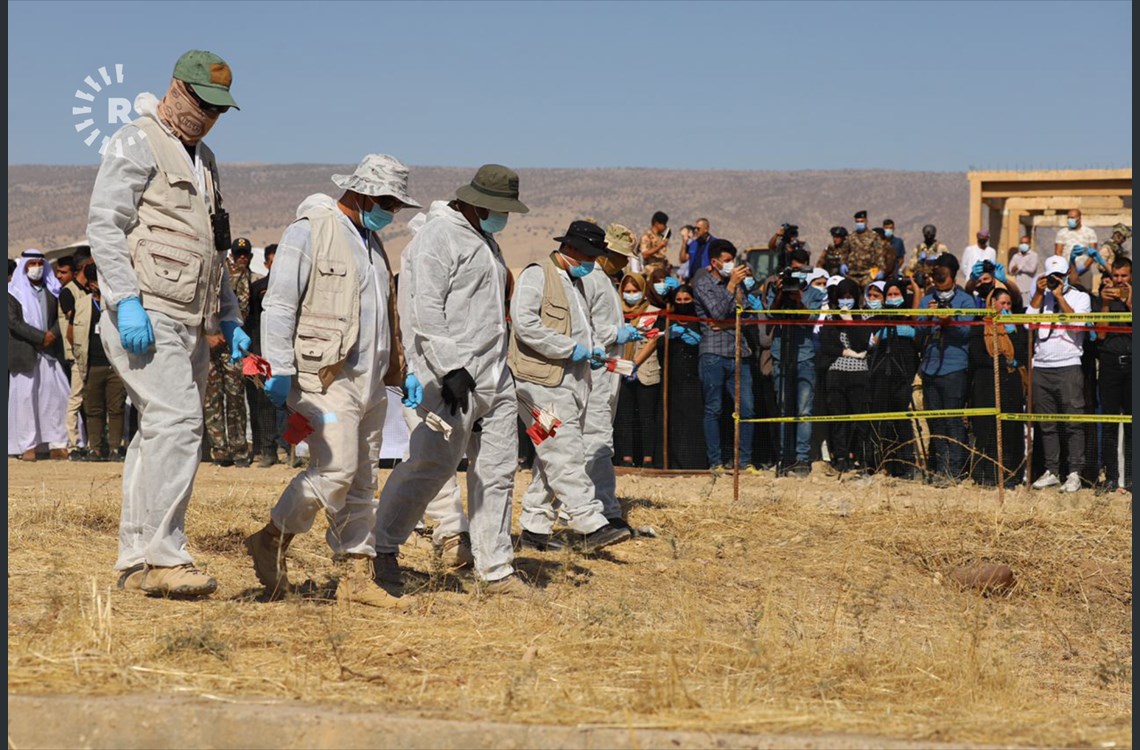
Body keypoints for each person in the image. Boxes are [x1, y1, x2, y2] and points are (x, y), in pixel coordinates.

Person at [87, 49, 245, 598]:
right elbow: (105, 224)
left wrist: (230, 313)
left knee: (159, 431)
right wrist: (124, 300)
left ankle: (135, 559)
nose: (208, 116)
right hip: (147, 311)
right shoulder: (138, 139)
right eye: (202, 102)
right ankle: (163, 557)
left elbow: (213, 246)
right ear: (177, 89)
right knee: (178, 422)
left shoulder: (206, 161)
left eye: (219, 109)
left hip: (190, 317)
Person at [246, 154, 418, 607]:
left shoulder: (373, 243)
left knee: (363, 478)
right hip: (328, 376)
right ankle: (271, 537)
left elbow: (384, 315)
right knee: (336, 469)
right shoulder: (311, 230)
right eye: (386, 201)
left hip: (372, 380)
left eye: (396, 204)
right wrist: (279, 366)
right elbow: (280, 302)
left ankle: (356, 578)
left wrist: (401, 370)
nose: (392, 211)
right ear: (361, 192)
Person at [372, 164, 534, 597]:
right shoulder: (438, 237)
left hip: (494, 376)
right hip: (452, 380)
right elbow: (424, 308)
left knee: (497, 472)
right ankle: (381, 550)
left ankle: (495, 567)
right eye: (497, 209)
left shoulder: (486, 238)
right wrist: (449, 367)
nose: (502, 217)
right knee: (431, 466)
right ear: (474, 201)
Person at [511, 220, 633, 555]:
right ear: (572, 249)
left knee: (552, 455)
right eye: (590, 255)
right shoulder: (538, 276)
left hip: (570, 385)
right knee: (563, 452)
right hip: (540, 385)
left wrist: (591, 352)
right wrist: (568, 349)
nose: (593, 263)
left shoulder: (573, 284)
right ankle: (590, 523)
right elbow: (526, 325)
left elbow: (581, 329)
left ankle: (535, 525)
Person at [692, 240, 758, 472]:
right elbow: (718, 311)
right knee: (714, 408)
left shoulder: (739, 284)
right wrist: (731, 286)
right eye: (727, 261)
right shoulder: (703, 284)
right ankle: (716, 463)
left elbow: (748, 315)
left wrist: (724, 323)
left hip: (739, 352)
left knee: (747, 409)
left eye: (733, 260)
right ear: (715, 262)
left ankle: (744, 461)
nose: (731, 265)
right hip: (714, 353)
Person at [1027, 255, 1091, 493]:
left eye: (1059, 277)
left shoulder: (1080, 297)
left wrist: (1059, 296)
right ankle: (1052, 470)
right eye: (1051, 277)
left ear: (1066, 277)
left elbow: (1078, 325)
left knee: (1073, 421)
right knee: (1046, 423)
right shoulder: (1039, 298)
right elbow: (1027, 324)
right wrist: (1037, 294)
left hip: (1068, 364)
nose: (1054, 281)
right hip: (1041, 366)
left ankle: (1074, 473)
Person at [917, 253, 977, 486]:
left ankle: (955, 470)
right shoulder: (926, 300)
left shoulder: (965, 300)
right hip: (930, 367)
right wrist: (930, 316)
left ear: (951, 273)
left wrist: (949, 320)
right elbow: (918, 332)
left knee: (953, 420)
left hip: (954, 368)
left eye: (942, 270)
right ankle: (940, 468)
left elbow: (966, 333)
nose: (938, 274)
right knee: (936, 422)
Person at [7, 250, 70, 461]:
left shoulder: (53, 291)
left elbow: (61, 316)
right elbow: (13, 322)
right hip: (26, 353)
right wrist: (40, 337)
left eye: (39, 263)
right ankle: (27, 446)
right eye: (32, 263)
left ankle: (57, 443)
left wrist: (52, 334)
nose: (36, 267)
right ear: (24, 266)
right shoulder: (12, 292)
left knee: (55, 398)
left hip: (50, 353)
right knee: (25, 400)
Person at [205, 237, 258, 467]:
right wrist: (207, 336)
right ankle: (219, 450)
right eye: (238, 254)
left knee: (235, 398)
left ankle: (238, 449)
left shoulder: (246, 279)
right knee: (212, 399)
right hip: (208, 343)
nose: (242, 259)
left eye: (245, 255)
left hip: (231, 346)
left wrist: (225, 336)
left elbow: (241, 312)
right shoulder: (211, 275)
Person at [967, 288, 1026, 487]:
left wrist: (1013, 334)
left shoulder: (1016, 326)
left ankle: (1010, 475)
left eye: (1009, 304)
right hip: (987, 384)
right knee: (987, 429)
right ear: (992, 304)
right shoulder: (980, 324)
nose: (1006, 308)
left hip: (1012, 383)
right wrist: (1000, 361)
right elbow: (976, 355)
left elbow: (1024, 353)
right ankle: (987, 474)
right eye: (1002, 303)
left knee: (1011, 431)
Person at [866, 278, 921, 478]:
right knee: (881, 421)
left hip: (903, 373)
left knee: (902, 421)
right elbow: (870, 342)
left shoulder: (908, 318)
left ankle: (905, 465)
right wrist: (881, 335)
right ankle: (878, 463)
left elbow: (917, 331)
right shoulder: (878, 318)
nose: (892, 298)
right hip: (881, 374)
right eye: (889, 294)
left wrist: (914, 286)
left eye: (896, 294)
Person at [817, 278, 873, 475]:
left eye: (850, 297)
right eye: (843, 298)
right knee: (838, 417)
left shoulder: (862, 317)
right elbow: (826, 345)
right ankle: (840, 456)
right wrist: (845, 352)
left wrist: (850, 322)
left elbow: (863, 343)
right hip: (837, 372)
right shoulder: (831, 319)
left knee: (860, 418)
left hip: (859, 373)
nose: (846, 301)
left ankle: (859, 456)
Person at [78, 265, 127, 461]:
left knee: (116, 408)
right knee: (93, 409)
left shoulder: (116, 304)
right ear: (91, 284)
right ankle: (95, 448)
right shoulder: (82, 304)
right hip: (92, 364)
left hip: (114, 364)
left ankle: (115, 448)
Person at [614, 272, 663, 468]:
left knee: (646, 416)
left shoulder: (652, 312)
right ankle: (626, 457)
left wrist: (635, 363)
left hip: (645, 369)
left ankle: (648, 458)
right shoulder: (616, 311)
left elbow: (652, 340)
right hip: (620, 369)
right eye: (627, 291)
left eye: (635, 291)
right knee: (625, 415)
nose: (631, 295)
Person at [1096, 256, 1131, 492]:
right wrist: (1106, 304)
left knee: (1131, 423)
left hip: (1132, 363)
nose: (1119, 280)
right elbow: (1100, 334)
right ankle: (1110, 477)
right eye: (1116, 276)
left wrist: (1129, 301)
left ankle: (1130, 478)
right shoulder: (1104, 298)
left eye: (1124, 276)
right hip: (1109, 363)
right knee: (1109, 422)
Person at [663, 283, 706, 469]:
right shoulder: (668, 320)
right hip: (673, 376)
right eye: (679, 300)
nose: (682, 303)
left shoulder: (699, 321)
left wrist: (697, 339)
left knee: (694, 418)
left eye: (686, 300)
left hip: (695, 375)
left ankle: (695, 461)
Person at [246, 243, 281, 467]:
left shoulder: (293, 287)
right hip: (260, 350)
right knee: (260, 401)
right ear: (266, 263)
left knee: (288, 404)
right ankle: (265, 449)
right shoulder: (258, 287)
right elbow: (249, 319)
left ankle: (289, 448)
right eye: (272, 261)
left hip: (285, 351)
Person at [57, 254, 92, 458]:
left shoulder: (88, 291)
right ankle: (73, 444)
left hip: (90, 352)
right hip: (77, 354)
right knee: (75, 399)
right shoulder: (68, 293)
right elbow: (73, 324)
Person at [847, 210, 893, 284]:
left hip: (868, 273)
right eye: (857, 222)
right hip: (852, 273)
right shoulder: (850, 237)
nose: (859, 223)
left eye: (861, 221)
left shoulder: (874, 236)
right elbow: (845, 252)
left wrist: (881, 269)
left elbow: (879, 254)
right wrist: (843, 264)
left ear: (866, 221)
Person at [1007, 233, 1040, 309]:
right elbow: (1011, 270)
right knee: (1017, 309)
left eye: (1025, 243)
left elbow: (1032, 269)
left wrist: (1019, 267)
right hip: (1018, 288)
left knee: (1027, 308)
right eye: (1022, 243)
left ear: (1029, 244)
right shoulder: (1016, 256)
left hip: (1029, 288)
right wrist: (1014, 269)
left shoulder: (1033, 255)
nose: (1023, 245)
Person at [639, 211, 671, 275]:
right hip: (651, 271)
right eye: (663, 224)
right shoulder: (647, 236)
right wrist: (659, 246)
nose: (665, 227)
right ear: (656, 223)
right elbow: (645, 254)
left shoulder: (660, 237)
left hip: (661, 270)